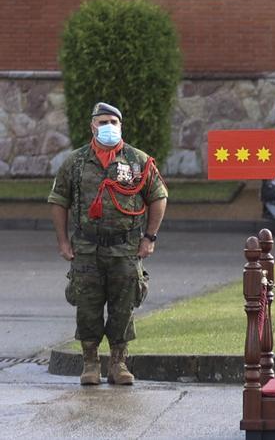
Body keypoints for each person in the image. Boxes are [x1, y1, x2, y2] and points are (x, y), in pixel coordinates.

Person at [48, 102, 167, 386]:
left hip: (125, 249)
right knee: (87, 307)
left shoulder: (138, 161)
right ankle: (90, 363)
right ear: (92, 126)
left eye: (113, 122)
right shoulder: (76, 162)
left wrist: (149, 237)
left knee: (123, 307)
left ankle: (118, 363)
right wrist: (63, 241)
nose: (108, 127)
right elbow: (58, 201)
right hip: (87, 249)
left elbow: (158, 196)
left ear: (121, 126)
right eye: (103, 122)